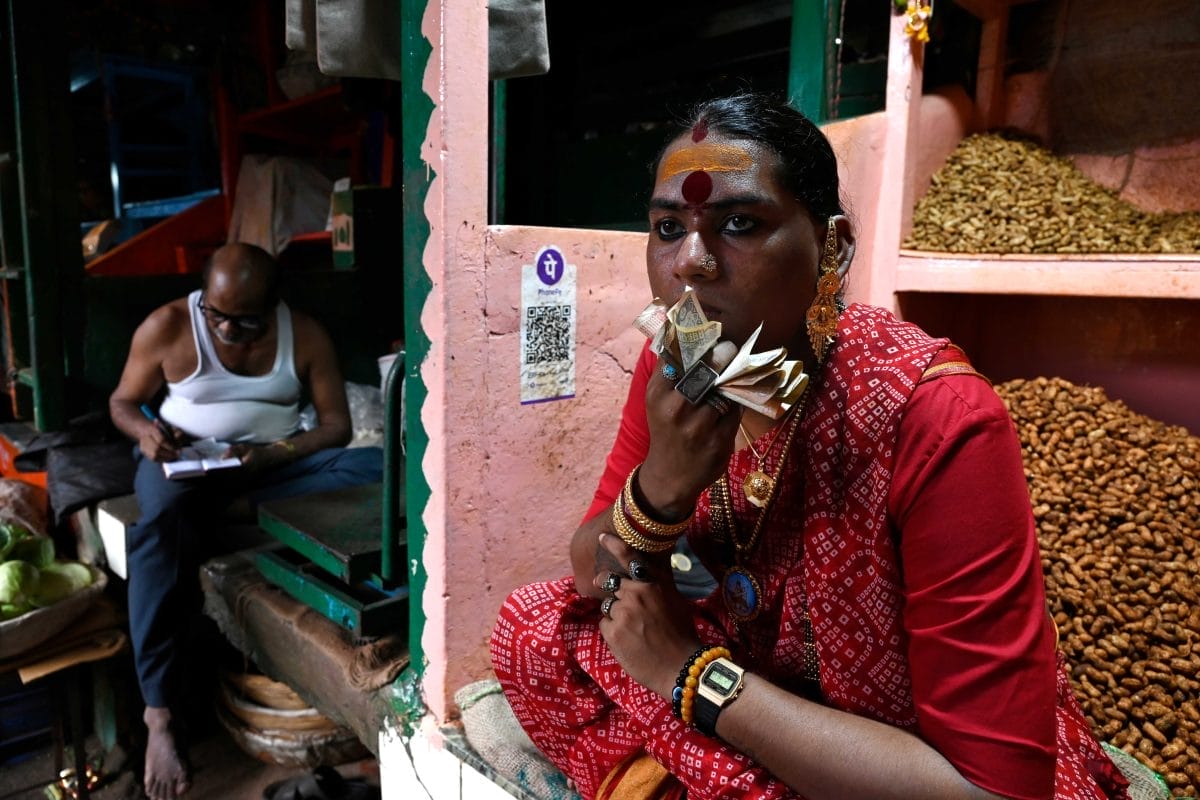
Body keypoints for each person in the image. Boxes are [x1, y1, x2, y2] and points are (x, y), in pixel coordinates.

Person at [490, 94, 1130, 800]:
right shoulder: (673, 368)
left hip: (891, 742)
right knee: (534, 628)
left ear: (833, 248)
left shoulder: (938, 417)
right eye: (668, 227)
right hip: (754, 666)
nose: (692, 263)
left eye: (739, 223)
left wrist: (691, 675)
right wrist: (660, 489)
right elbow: (592, 574)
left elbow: (996, 788)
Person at [109, 243, 382, 800]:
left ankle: (229, 511)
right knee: (156, 529)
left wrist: (271, 454)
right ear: (203, 300)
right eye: (218, 315)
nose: (229, 329)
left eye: (247, 319)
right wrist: (145, 433)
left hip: (266, 469)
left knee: (372, 466)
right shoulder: (166, 325)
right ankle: (158, 715)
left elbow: (335, 428)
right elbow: (123, 401)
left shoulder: (303, 335)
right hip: (180, 465)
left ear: (273, 303)